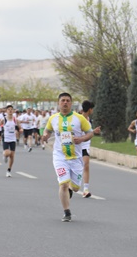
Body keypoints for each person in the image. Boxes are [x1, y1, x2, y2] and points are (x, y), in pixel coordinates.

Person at [41, 92, 94, 222]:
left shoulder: (79, 118)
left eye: (67, 101)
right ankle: (67, 212)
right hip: (60, 156)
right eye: (63, 100)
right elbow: (47, 130)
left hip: (76, 157)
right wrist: (46, 135)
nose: (65, 103)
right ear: (58, 103)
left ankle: (71, 188)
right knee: (63, 183)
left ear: (71, 103)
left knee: (75, 188)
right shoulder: (53, 118)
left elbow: (90, 133)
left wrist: (81, 138)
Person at [79, 100, 101, 198]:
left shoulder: (89, 119)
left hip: (85, 145)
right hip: (77, 145)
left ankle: (86, 189)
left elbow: (88, 131)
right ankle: (70, 185)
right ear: (90, 109)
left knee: (86, 164)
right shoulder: (77, 119)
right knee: (76, 166)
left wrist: (93, 131)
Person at [0, 105, 21, 177]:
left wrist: (20, 130)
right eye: (9, 109)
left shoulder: (16, 120)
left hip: (13, 139)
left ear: (13, 111)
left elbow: (20, 128)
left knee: (12, 156)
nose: (10, 111)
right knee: (7, 152)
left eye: (12, 109)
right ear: (6, 111)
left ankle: (9, 170)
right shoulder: (4, 119)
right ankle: (5, 155)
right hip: (6, 138)